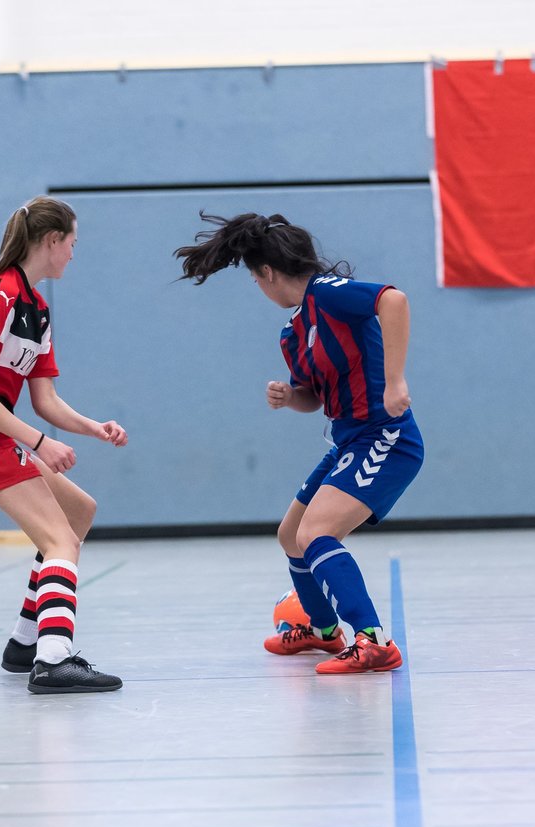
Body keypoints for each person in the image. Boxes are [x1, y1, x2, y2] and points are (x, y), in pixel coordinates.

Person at [174, 212, 425, 674]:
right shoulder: (293, 331)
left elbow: (394, 301)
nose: (258, 286)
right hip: (349, 440)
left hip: (386, 436)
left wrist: (394, 381)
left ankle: (373, 641)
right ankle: (324, 631)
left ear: (267, 273)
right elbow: (314, 398)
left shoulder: (327, 293)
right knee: (291, 535)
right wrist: (292, 397)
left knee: (316, 533)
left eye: (254, 278)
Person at [0, 195, 127, 693]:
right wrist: (40, 444)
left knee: (79, 513)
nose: (74, 256)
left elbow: (46, 400)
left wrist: (93, 427)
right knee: (60, 541)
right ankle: (53, 658)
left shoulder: (36, 309)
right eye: (72, 244)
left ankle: (24, 643)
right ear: (51, 241)